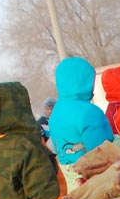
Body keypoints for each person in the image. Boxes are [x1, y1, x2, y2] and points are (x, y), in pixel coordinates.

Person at [48, 56, 113, 185]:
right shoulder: (88, 112)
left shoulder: (56, 112)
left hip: (72, 184)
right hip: (96, 183)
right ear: (84, 81)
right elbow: (101, 154)